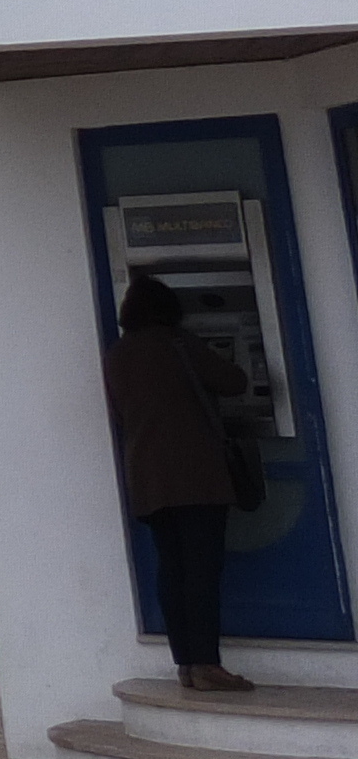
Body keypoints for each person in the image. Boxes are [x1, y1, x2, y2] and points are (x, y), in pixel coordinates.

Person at [104, 272, 255, 694]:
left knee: (172, 570)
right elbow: (236, 382)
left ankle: (186, 664)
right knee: (202, 571)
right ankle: (208, 664)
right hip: (197, 477)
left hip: (148, 480)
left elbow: (121, 414)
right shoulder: (178, 344)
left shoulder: (116, 355)